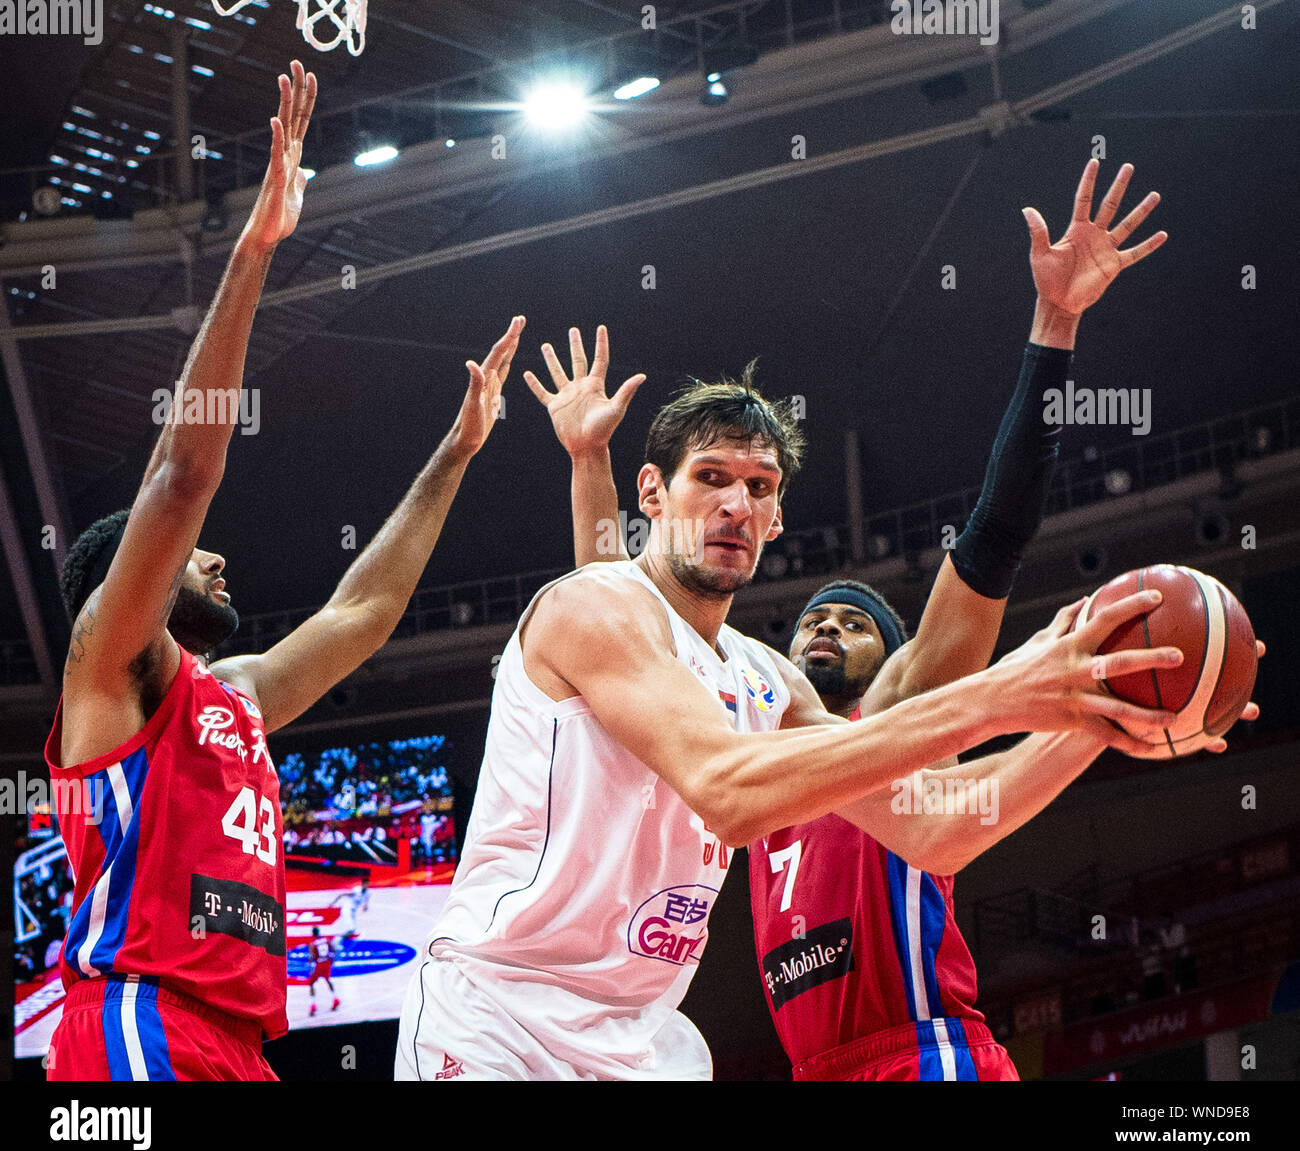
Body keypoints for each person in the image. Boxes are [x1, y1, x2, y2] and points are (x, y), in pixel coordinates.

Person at [545, 161, 1262, 1080]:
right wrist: (588, 461)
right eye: (815, 620)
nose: (825, 631)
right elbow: (617, 633)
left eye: (854, 622)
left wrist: (1056, 325)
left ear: (903, 656)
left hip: (921, 1056)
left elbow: (997, 532)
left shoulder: (894, 713)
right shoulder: (747, 725)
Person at [394, 300, 1190, 1082]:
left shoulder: (766, 682)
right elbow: (725, 793)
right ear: (653, 495)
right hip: (499, 1018)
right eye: (711, 478)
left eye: (760, 486)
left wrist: (1093, 716)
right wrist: (1004, 694)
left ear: (777, 519)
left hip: (636, 1044)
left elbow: (936, 826)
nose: (737, 505)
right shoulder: (588, 608)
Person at [44, 62, 524, 1081]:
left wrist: (454, 454)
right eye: (188, 558)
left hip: (241, 1043)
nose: (216, 558)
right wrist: (258, 247)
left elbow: (367, 608)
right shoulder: (109, 665)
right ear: (124, 581)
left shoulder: (234, 697)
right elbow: (181, 478)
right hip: (140, 1023)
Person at [306, 927, 339, 1016]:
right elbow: (335, 952)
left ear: (313, 934)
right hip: (327, 963)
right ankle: (335, 998)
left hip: (319, 964)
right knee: (328, 980)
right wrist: (331, 962)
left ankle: (313, 1004)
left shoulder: (313, 944)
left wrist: (309, 964)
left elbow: (312, 956)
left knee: (311, 983)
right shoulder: (326, 940)